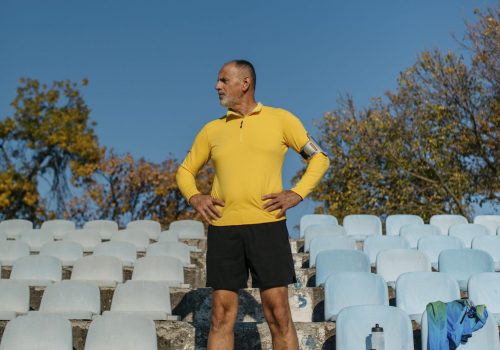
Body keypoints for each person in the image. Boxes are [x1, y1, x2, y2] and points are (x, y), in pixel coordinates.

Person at [176, 59, 330, 350]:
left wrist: (296, 194)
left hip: (267, 226)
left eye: (223, 80)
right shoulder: (211, 130)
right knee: (221, 315)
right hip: (224, 228)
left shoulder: (281, 119)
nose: (216, 86)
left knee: (278, 313)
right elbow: (185, 171)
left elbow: (320, 158)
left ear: (244, 83)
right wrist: (195, 197)